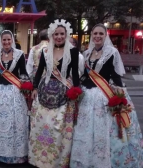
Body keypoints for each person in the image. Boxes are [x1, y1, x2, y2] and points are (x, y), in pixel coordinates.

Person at [70, 23, 143, 168]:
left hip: (104, 95)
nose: (97, 36)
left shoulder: (112, 52)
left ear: (105, 35)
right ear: (92, 35)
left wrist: (120, 94)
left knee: (104, 130)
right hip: (88, 96)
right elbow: (85, 75)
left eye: (101, 34)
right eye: (95, 33)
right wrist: (76, 86)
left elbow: (115, 75)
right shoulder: (86, 53)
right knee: (85, 129)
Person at [29, 19, 80, 167]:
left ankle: (56, 161)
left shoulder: (73, 51)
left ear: (66, 35)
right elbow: (39, 72)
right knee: (41, 125)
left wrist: (76, 91)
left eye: (61, 34)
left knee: (58, 128)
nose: (58, 36)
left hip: (64, 93)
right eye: (56, 34)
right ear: (51, 35)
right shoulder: (45, 51)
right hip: (45, 91)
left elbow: (75, 74)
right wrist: (34, 88)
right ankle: (39, 159)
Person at [0, 30, 29, 164]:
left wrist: (25, 83)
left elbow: (23, 73)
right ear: (1, 41)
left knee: (15, 121)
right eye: (4, 40)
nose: (6, 42)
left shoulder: (19, 55)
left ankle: (16, 154)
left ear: (12, 40)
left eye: (8, 40)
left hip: (14, 92)